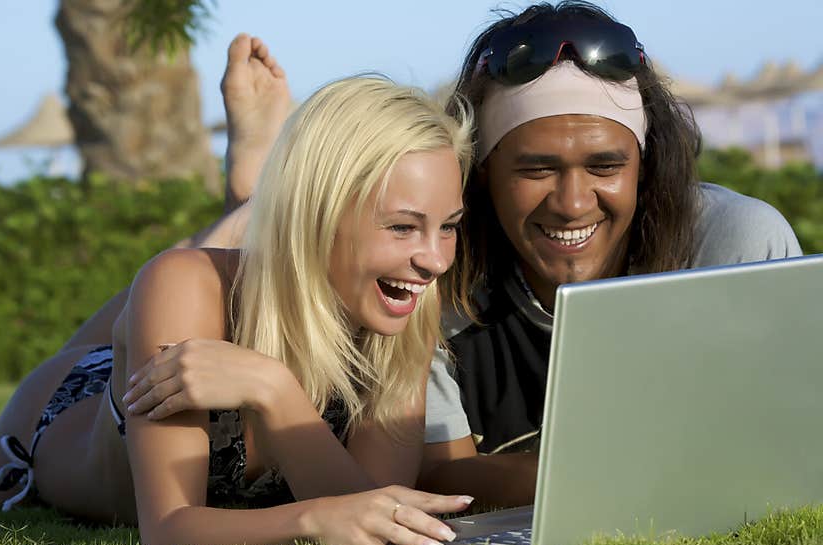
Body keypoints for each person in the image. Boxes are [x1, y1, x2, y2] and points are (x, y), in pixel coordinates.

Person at [206, 6, 803, 509]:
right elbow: (434, 474)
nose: (572, 204)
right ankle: (256, 194)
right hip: (151, 335)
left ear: (646, 169)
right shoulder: (435, 272)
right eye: (535, 169)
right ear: (483, 176)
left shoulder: (735, 244)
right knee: (211, 265)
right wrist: (621, 483)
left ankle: (253, 192)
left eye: (605, 166)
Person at [0, 72, 476, 545]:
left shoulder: (407, 301)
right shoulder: (184, 289)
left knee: (190, 287)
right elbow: (167, 531)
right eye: (404, 227)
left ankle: (248, 203)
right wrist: (312, 515)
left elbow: (375, 512)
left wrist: (272, 391)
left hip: (259, 298)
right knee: (175, 281)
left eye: (448, 227)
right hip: (51, 420)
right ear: (319, 213)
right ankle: (247, 205)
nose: (434, 260)